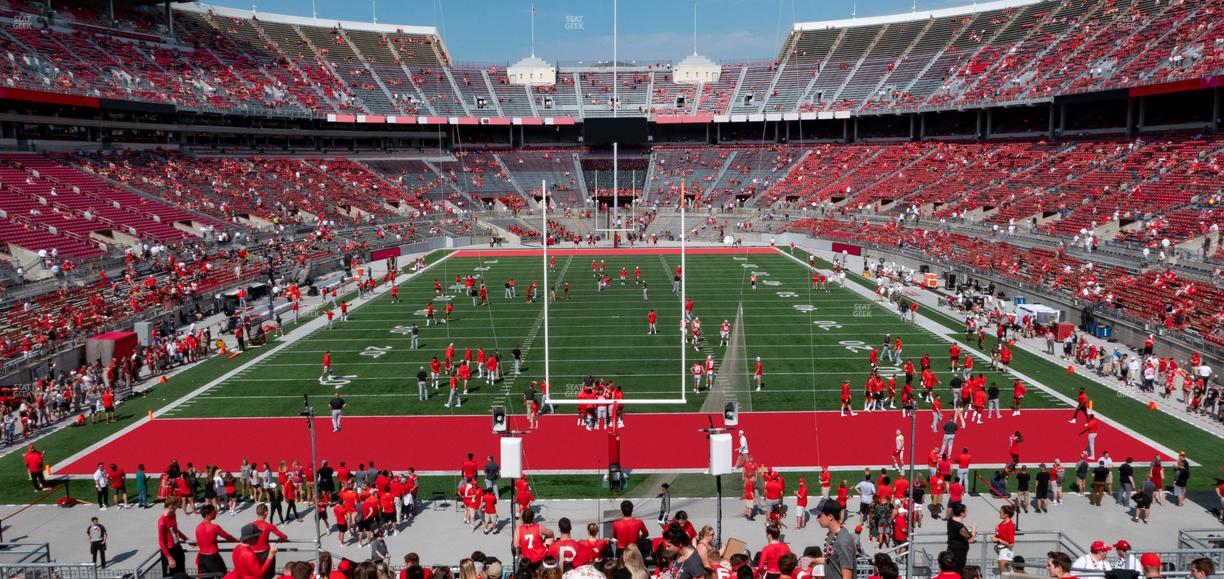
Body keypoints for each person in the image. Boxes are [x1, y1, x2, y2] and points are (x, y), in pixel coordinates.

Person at [195, 504, 236, 576]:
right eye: (214, 512)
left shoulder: (198, 527)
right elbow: (227, 537)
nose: (215, 513)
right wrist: (236, 540)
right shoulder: (215, 527)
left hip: (202, 557)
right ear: (207, 515)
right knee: (221, 574)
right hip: (213, 558)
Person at [817, 501, 854, 579]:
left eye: (819, 515)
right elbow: (830, 559)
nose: (817, 519)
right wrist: (813, 560)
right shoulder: (831, 534)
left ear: (830, 516)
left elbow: (847, 576)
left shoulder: (843, 541)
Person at [157, 497, 189, 575]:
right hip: (170, 551)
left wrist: (187, 539)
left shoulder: (173, 514)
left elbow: (175, 530)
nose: (176, 509)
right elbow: (161, 542)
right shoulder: (162, 522)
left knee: (182, 573)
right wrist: (169, 558)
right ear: (171, 506)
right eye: (176, 507)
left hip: (178, 548)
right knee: (171, 575)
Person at [945, 503, 975, 573]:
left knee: (952, 569)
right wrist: (974, 528)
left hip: (952, 549)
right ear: (962, 513)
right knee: (958, 570)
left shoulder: (951, 520)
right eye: (966, 511)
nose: (967, 512)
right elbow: (971, 539)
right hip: (958, 552)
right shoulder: (959, 526)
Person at [993, 505, 1015, 575]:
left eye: (1001, 512)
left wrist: (998, 540)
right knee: (1004, 574)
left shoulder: (1010, 525)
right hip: (1001, 550)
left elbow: (1011, 544)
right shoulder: (1002, 523)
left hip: (1005, 552)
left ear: (1006, 514)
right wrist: (995, 538)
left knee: (1003, 575)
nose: (999, 513)